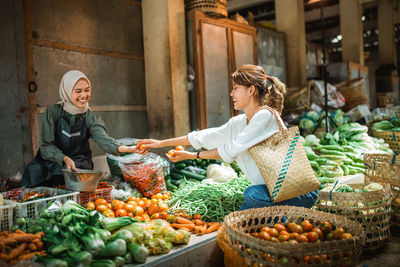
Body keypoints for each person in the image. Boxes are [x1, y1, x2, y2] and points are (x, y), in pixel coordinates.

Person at [138, 65, 318, 210]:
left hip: (295, 192)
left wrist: (193, 156)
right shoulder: (239, 122)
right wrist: (161, 143)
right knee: (247, 205)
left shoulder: (265, 116)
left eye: (236, 89)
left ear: (251, 90)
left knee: (252, 196)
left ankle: (282, 219)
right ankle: (274, 219)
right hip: (270, 192)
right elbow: (206, 136)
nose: (231, 94)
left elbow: (230, 150)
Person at [22, 70, 143, 187]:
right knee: (34, 172)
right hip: (52, 159)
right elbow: (46, 147)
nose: (84, 95)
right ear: (67, 91)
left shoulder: (91, 117)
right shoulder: (53, 113)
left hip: (79, 162)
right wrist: (64, 158)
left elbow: (104, 139)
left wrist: (130, 148)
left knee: (71, 176)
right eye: (78, 91)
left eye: (87, 90)